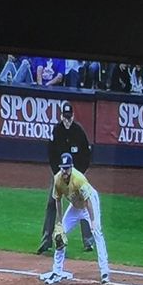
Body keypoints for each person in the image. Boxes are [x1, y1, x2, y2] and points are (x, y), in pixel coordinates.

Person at [41, 152, 111, 285]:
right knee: (60, 235)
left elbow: (88, 200)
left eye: (67, 168)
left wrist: (93, 220)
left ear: (71, 167)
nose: (65, 171)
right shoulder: (57, 179)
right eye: (63, 168)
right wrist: (60, 222)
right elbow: (58, 201)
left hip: (88, 204)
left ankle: (104, 272)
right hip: (75, 207)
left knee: (97, 232)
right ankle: (57, 271)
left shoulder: (79, 179)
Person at [37, 98, 96, 254]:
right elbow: (51, 154)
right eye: (65, 116)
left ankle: (89, 241)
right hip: (59, 174)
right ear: (61, 116)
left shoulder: (79, 131)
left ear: (73, 116)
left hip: (76, 176)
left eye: (69, 117)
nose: (67, 120)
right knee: (51, 203)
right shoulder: (56, 131)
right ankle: (46, 241)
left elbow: (87, 154)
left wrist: (80, 174)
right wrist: (58, 173)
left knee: (83, 203)